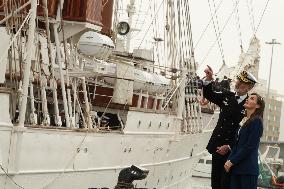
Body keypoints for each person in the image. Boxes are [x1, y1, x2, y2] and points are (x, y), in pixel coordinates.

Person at [202, 66, 257, 189]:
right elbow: (209, 94)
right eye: (239, 80)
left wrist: (229, 147)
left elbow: (245, 133)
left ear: (249, 87)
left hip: (233, 151)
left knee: (227, 185)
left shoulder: (249, 105)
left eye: (243, 82)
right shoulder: (227, 96)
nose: (238, 83)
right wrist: (209, 79)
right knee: (215, 184)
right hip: (217, 147)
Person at [224, 93, 265, 189]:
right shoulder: (244, 120)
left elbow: (250, 146)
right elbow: (237, 144)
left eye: (252, 99)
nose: (247, 99)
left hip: (248, 170)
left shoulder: (257, 121)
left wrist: (232, 161)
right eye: (248, 97)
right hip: (237, 169)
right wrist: (229, 160)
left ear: (258, 105)